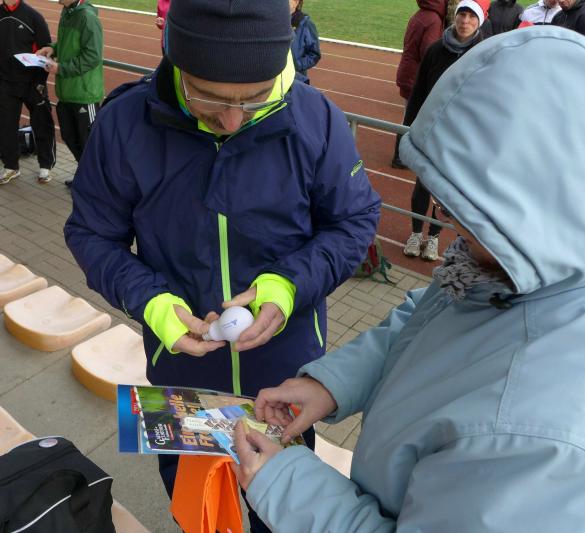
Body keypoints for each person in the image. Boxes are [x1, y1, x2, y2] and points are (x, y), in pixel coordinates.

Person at [230, 25, 585, 533]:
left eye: (463, 209)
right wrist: (330, 384)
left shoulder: (557, 450)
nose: (445, 219)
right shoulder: (560, 252)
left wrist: (285, 482)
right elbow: (435, 317)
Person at [64, 0, 380, 530]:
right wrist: (151, 301)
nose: (232, 120)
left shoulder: (316, 118)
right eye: (208, 95)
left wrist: (288, 286)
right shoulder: (124, 123)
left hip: (283, 382)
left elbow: (354, 220)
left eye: (256, 97)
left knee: (279, 514)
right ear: (176, 59)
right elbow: (91, 233)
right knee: (199, 515)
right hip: (181, 381)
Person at [402, 0, 487, 261]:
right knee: (423, 183)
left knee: (444, 190)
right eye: (462, 15)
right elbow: (419, 89)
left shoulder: (484, 53)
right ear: (454, 17)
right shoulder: (436, 49)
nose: (465, 22)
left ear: (479, 22)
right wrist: (409, 123)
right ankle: (416, 233)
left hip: (460, 134)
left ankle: (434, 237)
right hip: (431, 129)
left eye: (471, 17)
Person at [0, 0, 56, 185]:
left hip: (33, 83)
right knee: (5, 126)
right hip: (6, 84)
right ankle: (10, 167)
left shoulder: (34, 17)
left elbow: (47, 53)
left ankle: (45, 166)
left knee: (42, 124)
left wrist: (40, 83)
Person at [36, 0, 104, 188]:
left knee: (89, 143)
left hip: (85, 93)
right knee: (69, 135)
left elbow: (92, 56)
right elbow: (69, 45)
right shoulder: (67, 12)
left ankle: (96, 185)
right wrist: (53, 48)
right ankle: (85, 175)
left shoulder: (87, 17)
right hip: (66, 91)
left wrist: (61, 68)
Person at [392, 0, 446, 169]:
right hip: (415, 76)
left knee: (409, 116)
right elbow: (428, 52)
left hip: (408, 71)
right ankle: (400, 157)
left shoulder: (420, 15)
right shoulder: (434, 20)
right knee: (412, 119)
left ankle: (401, 156)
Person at [289, 0, 321, 83]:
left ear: (296, 2)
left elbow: (314, 55)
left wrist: (296, 65)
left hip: (296, 79)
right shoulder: (274, 22)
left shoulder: (306, 24)